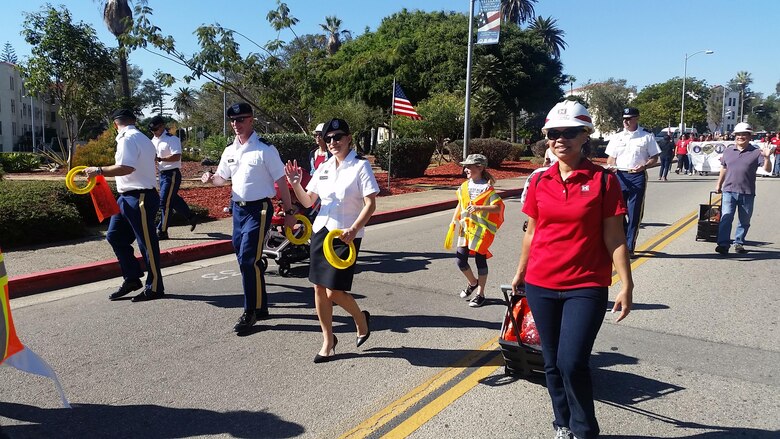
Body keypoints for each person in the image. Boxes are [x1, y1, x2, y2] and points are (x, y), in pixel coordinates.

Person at [511, 100, 633, 439]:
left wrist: (626, 284)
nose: (560, 139)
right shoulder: (538, 181)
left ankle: (584, 430)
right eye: (553, 133)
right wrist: (521, 273)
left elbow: (614, 236)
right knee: (550, 362)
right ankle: (562, 423)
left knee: (572, 361)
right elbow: (532, 232)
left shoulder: (604, 181)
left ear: (584, 137)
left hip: (586, 285)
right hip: (541, 283)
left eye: (569, 132)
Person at [283, 118, 379, 363]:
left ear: (348, 138)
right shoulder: (324, 167)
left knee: (335, 291)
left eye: (338, 137)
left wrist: (355, 228)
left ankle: (360, 319)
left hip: (345, 235)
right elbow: (308, 201)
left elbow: (371, 204)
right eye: (328, 139)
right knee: (318, 288)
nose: (333, 142)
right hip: (321, 231)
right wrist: (295, 185)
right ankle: (328, 340)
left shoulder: (360, 166)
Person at [201, 103, 297, 334]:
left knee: (247, 259)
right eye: (233, 120)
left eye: (241, 119)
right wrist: (210, 177)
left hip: (259, 209)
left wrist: (290, 212)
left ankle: (250, 312)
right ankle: (261, 305)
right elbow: (222, 179)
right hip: (238, 210)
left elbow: (282, 182)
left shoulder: (265, 149)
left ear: (251, 120)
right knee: (246, 257)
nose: (236, 124)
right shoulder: (230, 150)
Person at [84, 109, 164, 302]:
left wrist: (99, 170)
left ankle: (154, 287)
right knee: (115, 236)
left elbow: (126, 167)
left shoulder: (127, 139)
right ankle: (132, 279)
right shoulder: (144, 138)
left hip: (140, 197)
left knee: (147, 244)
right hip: (127, 197)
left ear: (114, 124)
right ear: (134, 121)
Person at [449, 153, 505, 308]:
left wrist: (479, 207)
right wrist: (453, 221)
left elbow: (497, 207)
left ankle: (480, 294)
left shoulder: (487, 188)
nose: (465, 169)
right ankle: (473, 282)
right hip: (466, 228)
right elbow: (460, 204)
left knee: (480, 260)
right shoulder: (464, 186)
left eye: (469, 166)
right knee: (460, 260)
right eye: (465, 166)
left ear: (479, 168)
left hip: (481, 231)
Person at [605, 107, 660, 256]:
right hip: (620, 176)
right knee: (618, 212)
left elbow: (655, 158)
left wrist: (645, 165)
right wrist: (611, 166)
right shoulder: (617, 137)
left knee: (634, 212)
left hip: (637, 176)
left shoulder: (646, 136)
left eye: (629, 118)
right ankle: (621, 241)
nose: (626, 121)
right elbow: (611, 157)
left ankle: (629, 246)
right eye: (624, 119)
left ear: (636, 118)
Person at [714, 122, 773, 255]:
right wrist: (719, 184)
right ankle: (723, 244)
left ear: (749, 136)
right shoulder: (728, 151)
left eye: (744, 135)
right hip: (728, 190)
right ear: (735, 136)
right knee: (726, 217)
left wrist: (767, 157)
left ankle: (739, 242)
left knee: (744, 220)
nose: (741, 137)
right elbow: (723, 168)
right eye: (738, 135)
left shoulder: (757, 153)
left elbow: (767, 169)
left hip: (747, 192)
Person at [149, 115, 197, 240]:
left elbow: (177, 157)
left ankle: (162, 230)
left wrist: (160, 159)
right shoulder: (153, 140)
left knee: (164, 203)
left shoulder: (172, 139)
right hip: (162, 174)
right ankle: (191, 216)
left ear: (162, 126)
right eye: (152, 130)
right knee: (172, 199)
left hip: (172, 174)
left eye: (156, 129)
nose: (154, 132)